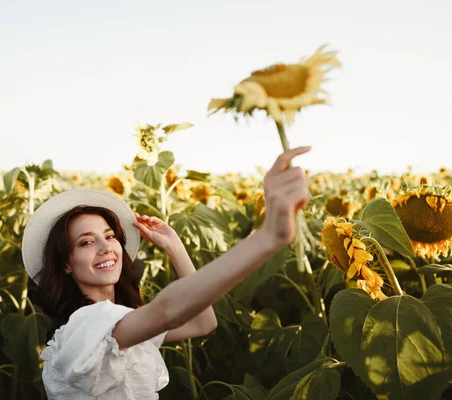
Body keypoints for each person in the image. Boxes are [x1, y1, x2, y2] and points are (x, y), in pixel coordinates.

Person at [21, 146, 311, 399]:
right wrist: (268, 237)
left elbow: (203, 323)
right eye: (86, 242)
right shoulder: (87, 326)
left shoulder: (123, 324)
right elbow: (166, 311)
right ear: (66, 264)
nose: (105, 247)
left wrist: (174, 246)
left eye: (110, 236)